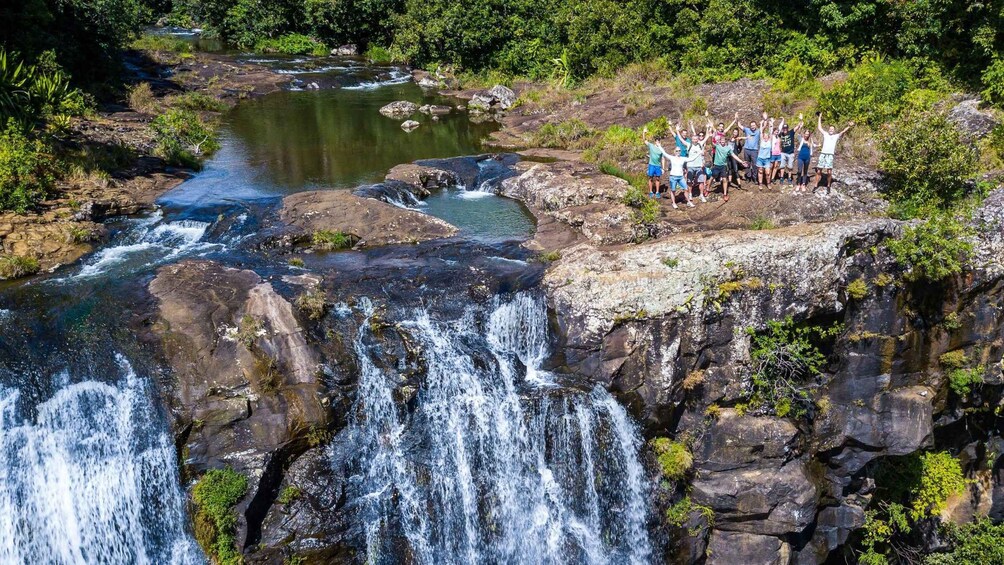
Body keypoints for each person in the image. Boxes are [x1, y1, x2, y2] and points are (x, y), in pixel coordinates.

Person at [816, 113, 854, 193]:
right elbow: (819, 128)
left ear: (834, 130)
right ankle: (816, 185)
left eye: (832, 129)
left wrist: (849, 126)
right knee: (819, 171)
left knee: (829, 172)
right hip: (823, 154)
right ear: (828, 129)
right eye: (830, 129)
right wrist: (819, 117)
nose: (831, 130)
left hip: (830, 155)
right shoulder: (826, 134)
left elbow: (843, 131)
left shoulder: (836, 136)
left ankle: (828, 185)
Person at [711, 136, 748, 202]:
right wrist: (710, 133)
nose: (722, 142)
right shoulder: (717, 146)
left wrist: (741, 162)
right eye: (721, 140)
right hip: (716, 165)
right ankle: (707, 189)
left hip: (724, 166)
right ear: (720, 141)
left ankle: (725, 194)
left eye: (724, 140)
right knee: (712, 177)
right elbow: (712, 142)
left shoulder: (728, 148)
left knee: (725, 179)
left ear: (725, 141)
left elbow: (734, 156)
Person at [681, 121, 709, 202]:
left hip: (699, 166)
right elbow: (681, 140)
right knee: (689, 181)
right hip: (690, 166)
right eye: (694, 139)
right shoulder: (688, 145)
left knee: (701, 181)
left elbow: (707, 136)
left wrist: (708, 127)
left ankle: (701, 195)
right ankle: (690, 194)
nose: (695, 140)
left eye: (696, 139)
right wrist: (677, 131)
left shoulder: (700, 144)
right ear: (692, 139)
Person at [777, 115, 802, 187]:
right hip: (783, 153)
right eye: (784, 128)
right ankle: (781, 178)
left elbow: (797, 127)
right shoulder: (781, 134)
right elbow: (778, 128)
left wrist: (800, 119)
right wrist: (783, 120)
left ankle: (789, 178)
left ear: (787, 128)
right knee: (782, 166)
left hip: (790, 153)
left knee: (790, 167)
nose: (785, 129)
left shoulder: (791, 132)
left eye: (786, 128)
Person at [642, 126, 666, 197]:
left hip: (658, 165)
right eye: (657, 141)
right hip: (651, 165)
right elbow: (644, 140)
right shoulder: (651, 146)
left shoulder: (661, 149)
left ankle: (657, 192)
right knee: (650, 178)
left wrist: (663, 168)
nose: (658, 142)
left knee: (658, 178)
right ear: (655, 141)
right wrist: (644, 132)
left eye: (659, 141)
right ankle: (651, 191)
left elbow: (663, 159)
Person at [742, 114, 765, 182]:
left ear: (756, 125)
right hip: (746, 149)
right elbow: (740, 126)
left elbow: (764, 126)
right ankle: (748, 177)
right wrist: (736, 119)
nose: (752, 126)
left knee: (755, 164)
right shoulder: (747, 130)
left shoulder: (758, 131)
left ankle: (755, 177)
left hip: (754, 150)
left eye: (754, 125)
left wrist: (764, 120)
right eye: (751, 125)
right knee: (747, 163)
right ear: (750, 126)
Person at [756, 118, 775, 189]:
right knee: (760, 171)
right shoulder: (762, 141)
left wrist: (771, 124)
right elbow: (761, 132)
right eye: (765, 136)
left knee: (767, 172)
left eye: (767, 136)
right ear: (763, 137)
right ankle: (760, 184)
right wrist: (761, 124)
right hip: (760, 158)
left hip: (767, 159)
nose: (766, 137)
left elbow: (771, 132)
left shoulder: (770, 141)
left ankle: (768, 183)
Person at [795, 129, 815, 194]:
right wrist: (800, 126)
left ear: (809, 135)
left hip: (807, 158)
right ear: (804, 134)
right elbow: (798, 134)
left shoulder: (810, 141)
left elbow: (812, 148)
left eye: (807, 134)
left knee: (805, 171)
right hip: (800, 157)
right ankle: (798, 184)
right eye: (805, 134)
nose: (806, 135)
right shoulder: (801, 139)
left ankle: (803, 184)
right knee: (799, 171)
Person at [768, 117, 785, 184]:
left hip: (778, 154)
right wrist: (772, 122)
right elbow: (770, 129)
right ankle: (768, 178)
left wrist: (783, 120)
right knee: (771, 166)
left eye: (777, 132)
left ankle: (772, 178)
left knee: (776, 166)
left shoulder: (778, 137)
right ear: (773, 132)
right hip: (772, 153)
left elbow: (780, 128)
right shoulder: (772, 136)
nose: (777, 132)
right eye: (775, 131)